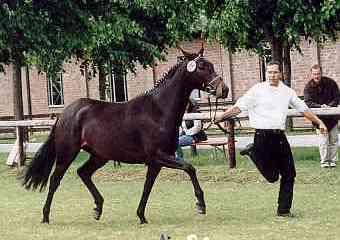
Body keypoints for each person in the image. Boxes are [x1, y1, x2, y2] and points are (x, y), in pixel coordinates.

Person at [216, 61, 327, 217]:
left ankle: (283, 210)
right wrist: (221, 116)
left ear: (280, 73)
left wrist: (319, 121)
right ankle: (252, 152)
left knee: (290, 174)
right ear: (265, 73)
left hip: (280, 137)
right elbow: (239, 107)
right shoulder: (257, 90)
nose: (272, 75)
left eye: (275, 72)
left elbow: (303, 109)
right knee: (272, 177)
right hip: (262, 137)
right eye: (269, 72)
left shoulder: (287, 91)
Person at [304, 64, 340, 168]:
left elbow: (337, 97)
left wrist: (329, 106)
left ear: (321, 73)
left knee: (333, 140)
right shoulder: (308, 87)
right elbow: (308, 102)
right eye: (314, 74)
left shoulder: (331, 83)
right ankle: (324, 162)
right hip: (318, 119)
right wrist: (320, 106)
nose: (316, 76)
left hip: (332, 118)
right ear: (311, 74)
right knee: (323, 141)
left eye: (318, 74)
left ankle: (333, 161)